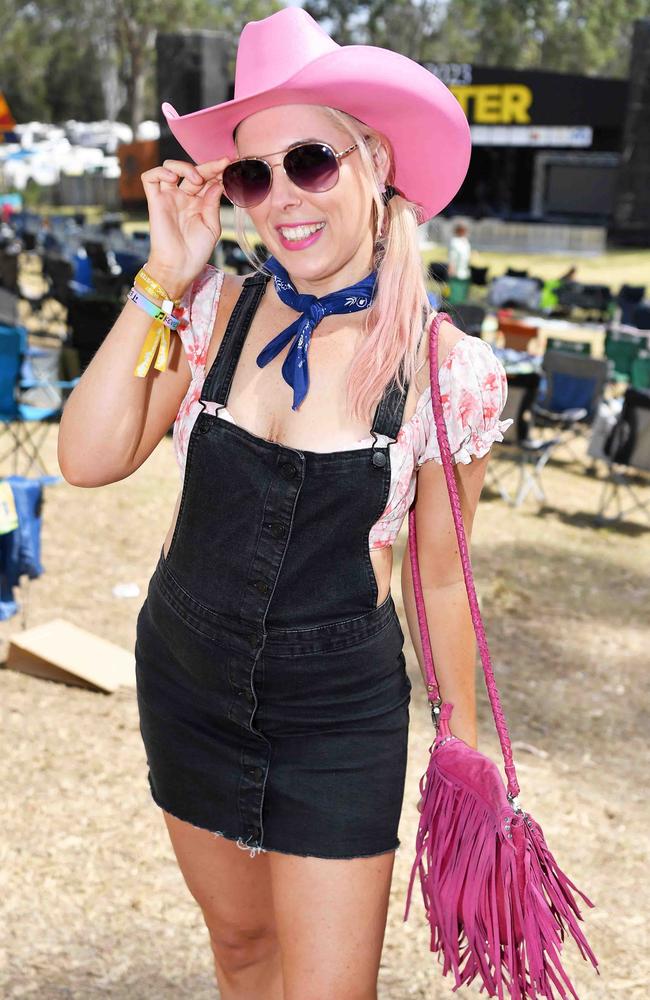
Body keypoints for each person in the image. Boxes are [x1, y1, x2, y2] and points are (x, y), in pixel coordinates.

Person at [57, 9, 512, 999]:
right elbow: (89, 457)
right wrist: (164, 273)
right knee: (242, 951)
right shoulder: (213, 310)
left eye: (306, 160)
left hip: (335, 716)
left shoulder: (448, 373)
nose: (277, 200)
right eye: (251, 175)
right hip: (185, 678)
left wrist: (463, 747)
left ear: (374, 160)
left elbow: (439, 575)